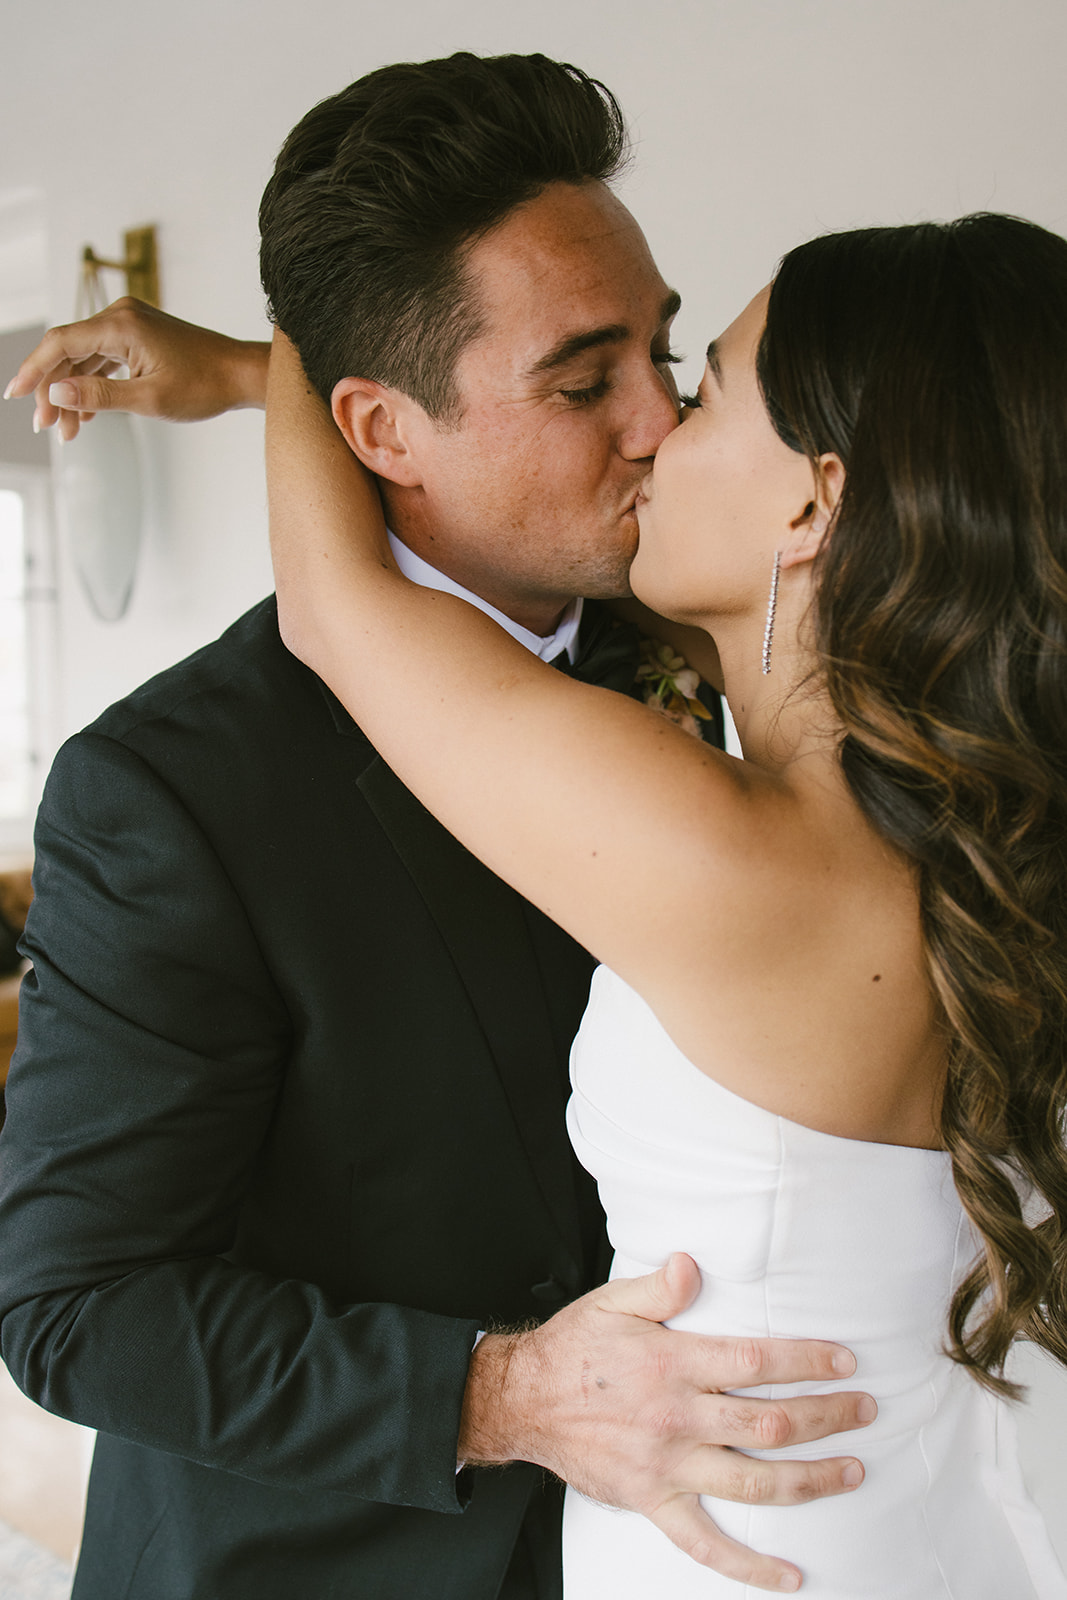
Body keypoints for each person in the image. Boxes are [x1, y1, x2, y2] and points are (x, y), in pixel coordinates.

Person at [0, 53, 873, 1600]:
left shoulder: (719, 640)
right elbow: (76, 1306)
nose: (661, 424)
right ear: (380, 432)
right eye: (582, 378)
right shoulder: (174, 792)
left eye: (664, 356)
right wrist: (506, 1394)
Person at [260, 211, 1067, 1597]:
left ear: (813, 507)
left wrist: (311, 311)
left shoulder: (738, 862)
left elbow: (332, 605)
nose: (644, 431)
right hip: (951, 1515)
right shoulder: (989, 824)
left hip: (771, 1547)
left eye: (695, 395)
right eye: (603, 384)